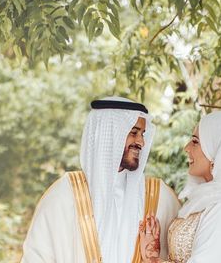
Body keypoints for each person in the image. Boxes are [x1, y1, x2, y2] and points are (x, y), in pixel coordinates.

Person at [22, 96, 181, 263]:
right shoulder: (64, 196)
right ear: (110, 134)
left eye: (142, 134)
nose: (141, 141)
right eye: (133, 132)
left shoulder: (160, 198)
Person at [138, 110, 221, 263]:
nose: (187, 148)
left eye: (195, 142)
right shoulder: (206, 201)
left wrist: (152, 259)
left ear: (220, 153)